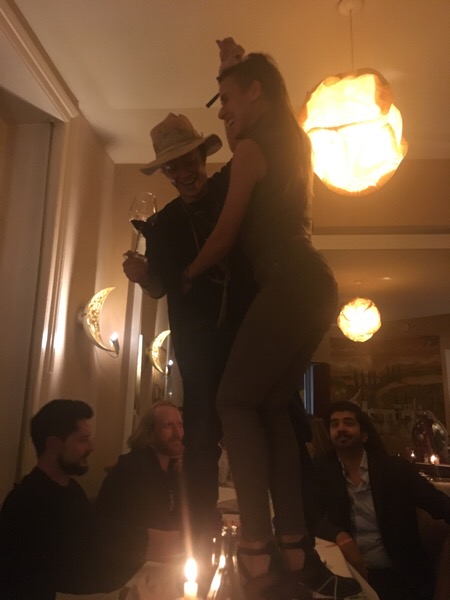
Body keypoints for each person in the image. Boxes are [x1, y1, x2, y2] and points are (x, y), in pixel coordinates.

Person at [182, 38, 360, 600]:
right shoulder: (293, 141)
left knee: (233, 401)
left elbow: (224, 236)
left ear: (256, 92)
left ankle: (256, 545)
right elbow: (250, 118)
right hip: (315, 283)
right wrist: (233, 70)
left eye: (227, 99)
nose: (223, 112)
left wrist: (185, 274)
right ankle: (293, 544)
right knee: (273, 409)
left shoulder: (253, 150)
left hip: (289, 280)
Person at [123, 113, 256, 542]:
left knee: (266, 428)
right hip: (197, 347)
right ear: (165, 172)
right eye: (172, 166)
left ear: (203, 157)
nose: (183, 172)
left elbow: (254, 144)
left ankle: (280, 532)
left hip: (250, 334)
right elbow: (160, 288)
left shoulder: (230, 189)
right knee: (199, 441)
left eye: (189, 161)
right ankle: (201, 535)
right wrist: (144, 276)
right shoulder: (163, 225)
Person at [0, 399, 146, 600]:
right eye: (82, 440)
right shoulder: (27, 503)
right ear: (53, 444)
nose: (91, 447)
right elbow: (67, 577)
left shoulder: (72, 490)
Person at [314, 400, 450, 600]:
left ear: (365, 434)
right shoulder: (321, 473)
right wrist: (340, 535)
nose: (341, 428)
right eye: (335, 424)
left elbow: (439, 504)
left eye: (348, 423)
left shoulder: (395, 470)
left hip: (399, 578)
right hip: (347, 576)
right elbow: (310, 516)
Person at [96, 400, 186, 599]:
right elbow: (158, 526)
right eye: (168, 426)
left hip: (153, 562)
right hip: (123, 573)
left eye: (180, 424)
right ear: (149, 433)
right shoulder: (135, 469)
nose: (178, 433)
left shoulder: (170, 468)